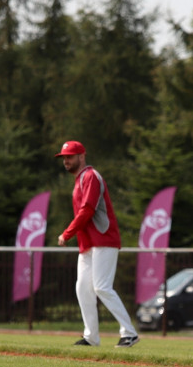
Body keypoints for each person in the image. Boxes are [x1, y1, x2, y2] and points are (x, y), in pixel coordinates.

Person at [55, 140, 140, 348]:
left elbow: (88, 209)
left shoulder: (91, 176)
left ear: (82, 156)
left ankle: (129, 333)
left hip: (104, 239)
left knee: (101, 286)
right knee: (83, 288)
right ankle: (91, 337)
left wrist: (67, 233)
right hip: (88, 243)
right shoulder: (80, 179)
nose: (66, 161)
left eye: (70, 156)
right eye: (64, 157)